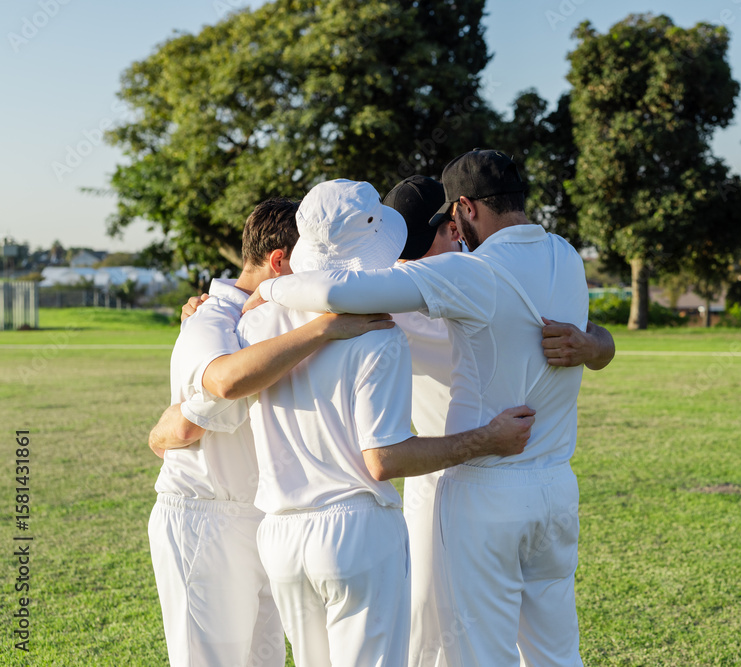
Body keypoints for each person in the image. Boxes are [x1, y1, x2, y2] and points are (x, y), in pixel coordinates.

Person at [245, 150, 612, 666]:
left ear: (466, 207)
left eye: (454, 218)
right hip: (555, 486)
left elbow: (335, 288)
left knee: (479, 655)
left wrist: (264, 285)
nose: (455, 232)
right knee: (556, 654)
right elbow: (586, 333)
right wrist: (598, 344)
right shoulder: (567, 255)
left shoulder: (466, 274)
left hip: (482, 489)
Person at [146, 197, 392, 667]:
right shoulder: (211, 318)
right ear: (279, 261)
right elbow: (224, 382)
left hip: (261, 518)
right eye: (308, 261)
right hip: (205, 515)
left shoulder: (268, 319)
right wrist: (324, 329)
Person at [381, 174, 615, 667]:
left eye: (451, 224)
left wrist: (593, 345)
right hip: (439, 479)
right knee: (428, 625)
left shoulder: (485, 270)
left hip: (512, 481)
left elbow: (591, 331)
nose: (454, 236)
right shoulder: (395, 304)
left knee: (505, 642)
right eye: (440, 230)